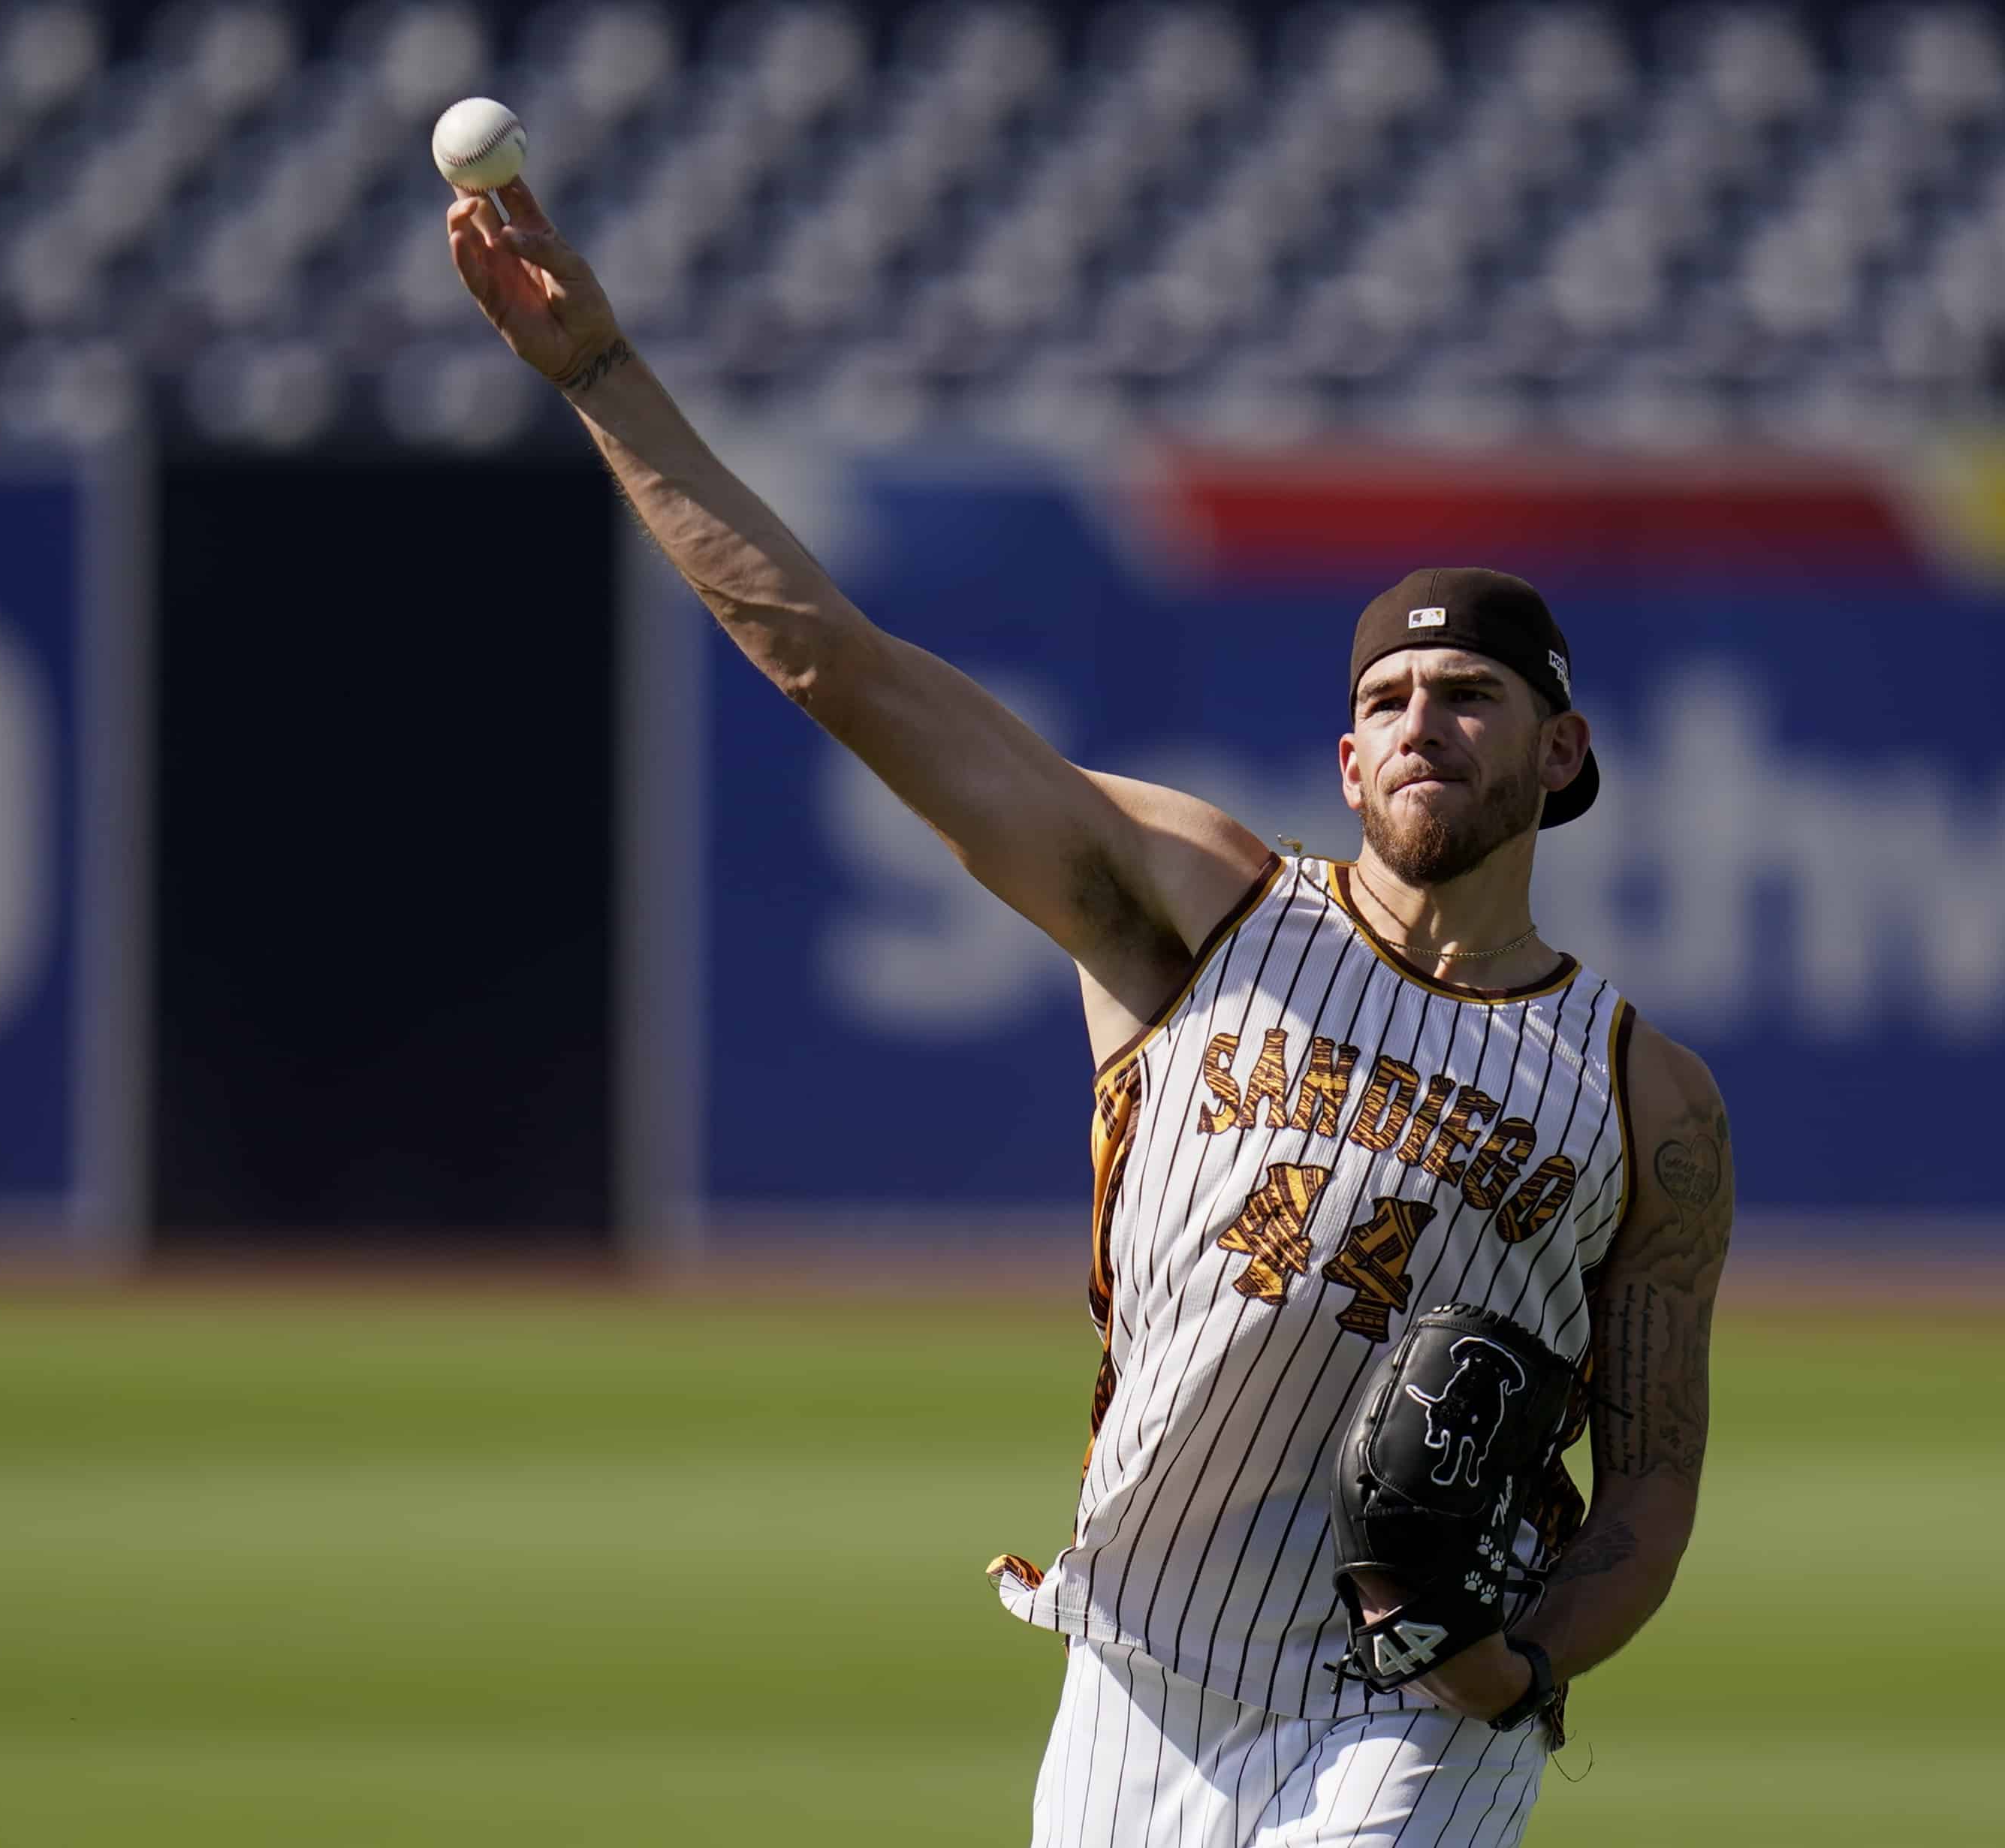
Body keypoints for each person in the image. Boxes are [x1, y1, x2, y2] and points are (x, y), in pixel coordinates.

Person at [448, 179, 1735, 1848]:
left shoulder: (1648, 1099)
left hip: (1413, 1709)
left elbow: (1648, 1477)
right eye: (1385, 701)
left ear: (1559, 754)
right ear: (1345, 762)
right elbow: (834, 663)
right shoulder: (1195, 911)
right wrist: (604, 374)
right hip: (1139, 1672)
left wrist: (1528, 1663)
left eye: (1472, 696)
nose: (1423, 722)